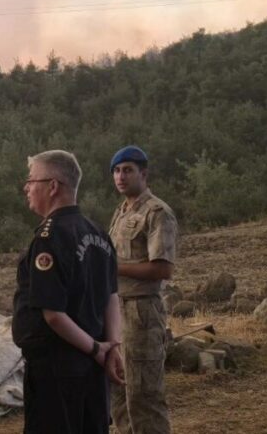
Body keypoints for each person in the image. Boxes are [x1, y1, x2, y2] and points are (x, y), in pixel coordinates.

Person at [12, 150, 124, 434]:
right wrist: (113, 346)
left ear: (52, 186)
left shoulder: (50, 238)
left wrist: (100, 349)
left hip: (57, 368)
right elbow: (112, 297)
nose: (26, 187)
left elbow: (53, 314)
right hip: (93, 366)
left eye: (31, 180)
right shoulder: (98, 233)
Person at [107, 146, 177, 434]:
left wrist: (113, 268)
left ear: (143, 174)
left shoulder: (157, 212)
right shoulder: (121, 211)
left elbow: (162, 268)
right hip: (117, 311)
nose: (121, 176)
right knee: (120, 395)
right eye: (116, 171)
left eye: (127, 170)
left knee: (144, 397)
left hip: (142, 312)